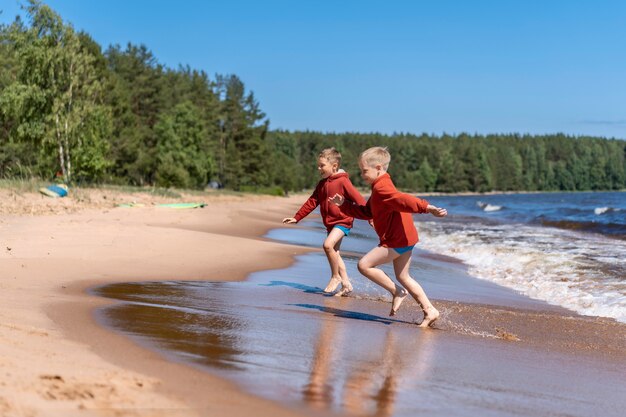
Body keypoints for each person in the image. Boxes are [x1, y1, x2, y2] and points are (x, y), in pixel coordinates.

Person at [328, 146, 447, 327]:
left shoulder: (382, 188)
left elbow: (402, 200)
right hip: (406, 237)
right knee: (404, 277)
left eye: (364, 171)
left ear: (378, 167)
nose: (361, 174)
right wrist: (344, 205)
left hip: (396, 239)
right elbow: (367, 212)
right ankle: (430, 310)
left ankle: (397, 292)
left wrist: (425, 207)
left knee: (364, 265)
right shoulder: (379, 187)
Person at [283, 148, 366, 296]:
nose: (319, 168)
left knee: (328, 245)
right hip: (330, 223)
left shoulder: (343, 181)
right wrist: (297, 217)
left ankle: (335, 277)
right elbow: (312, 201)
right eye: (319, 165)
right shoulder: (322, 184)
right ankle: (346, 284)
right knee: (335, 252)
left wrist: (370, 217)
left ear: (334, 166)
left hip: (343, 221)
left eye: (322, 165)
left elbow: (359, 199)